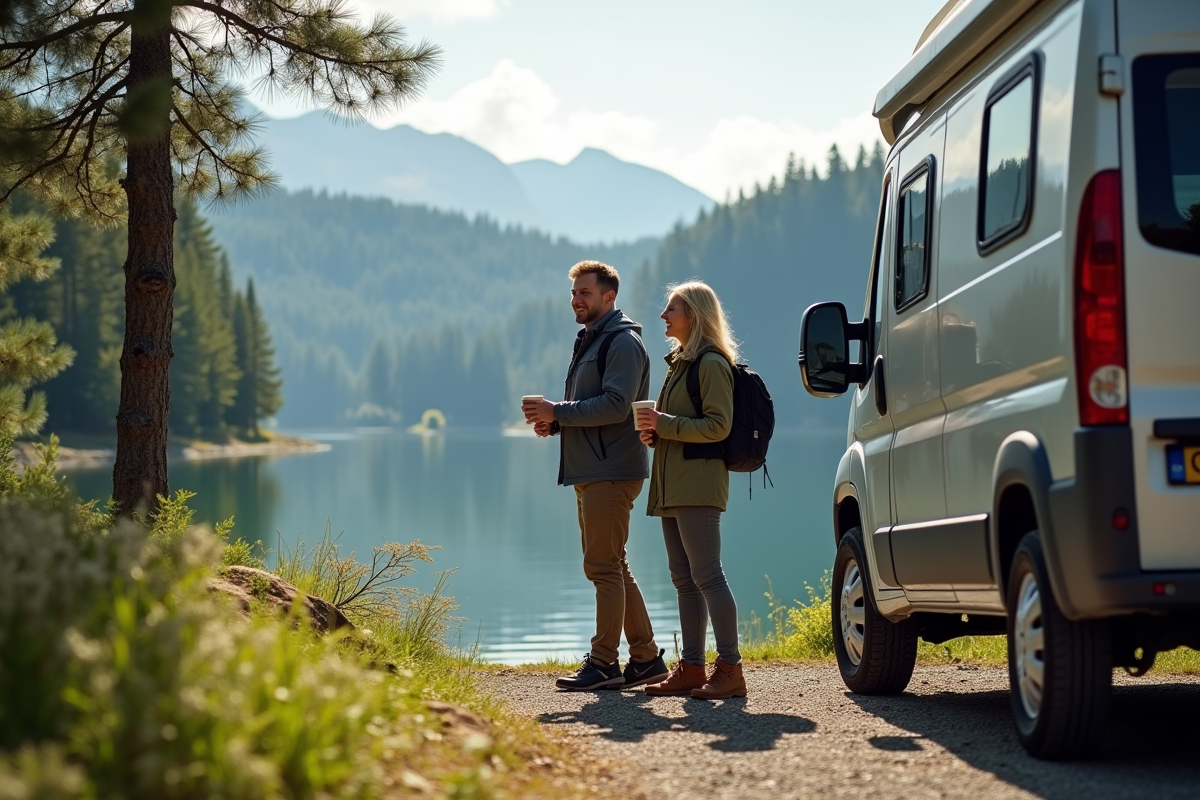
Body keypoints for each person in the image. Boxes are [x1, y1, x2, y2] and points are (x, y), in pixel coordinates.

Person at [522, 261, 669, 691]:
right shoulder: (591, 339)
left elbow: (615, 405)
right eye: (573, 293)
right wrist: (557, 422)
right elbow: (593, 405)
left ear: (609, 297)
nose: (576, 300)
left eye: (584, 292)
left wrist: (558, 412)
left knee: (602, 566)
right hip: (593, 468)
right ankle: (645, 659)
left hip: (610, 470)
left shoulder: (622, 343)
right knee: (613, 566)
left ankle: (605, 662)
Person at [636, 280, 746, 700]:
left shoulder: (712, 363)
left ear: (693, 316)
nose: (663, 315)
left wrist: (665, 426)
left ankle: (731, 668)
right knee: (684, 579)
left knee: (707, 576)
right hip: (673, 484)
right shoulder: (679, 363)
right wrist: (656, 434)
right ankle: (694, 667)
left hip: (697, 484)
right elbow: (682, 425)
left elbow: (719, 426)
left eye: (671, 309)